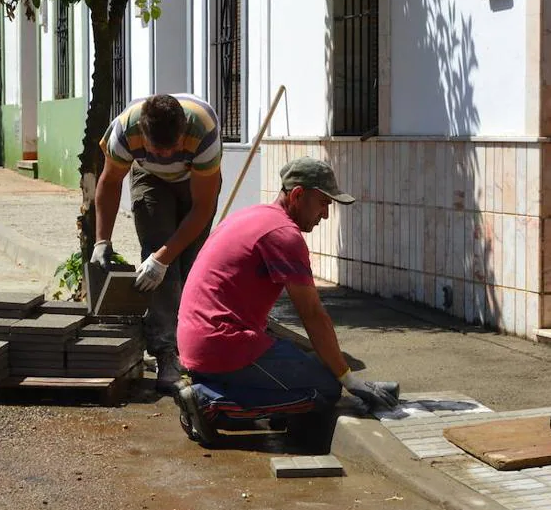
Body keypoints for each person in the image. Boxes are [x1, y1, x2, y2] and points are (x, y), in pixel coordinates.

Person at [173, 157, 399, 446]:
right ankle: (209, 403)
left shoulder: (252, 215)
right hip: (221, 345)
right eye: (322, 203)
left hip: (197, 341)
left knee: (314, 362)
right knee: (325, 389)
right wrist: (348, 379)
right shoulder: (283, 235)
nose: (325, 215)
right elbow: (313, 315)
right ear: (297, 195)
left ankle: (216, 390)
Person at [91, 94, 222, 392]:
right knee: (159, 261)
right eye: (156, 150)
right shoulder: (126, 132)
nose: (164, 157)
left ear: (182, 132)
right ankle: (165, 353)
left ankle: (194, 348)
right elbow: (110, 183)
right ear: (144, 135)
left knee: (189, 266)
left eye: (171, 149)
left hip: (194, 183)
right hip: (149, 180)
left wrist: (163, 258)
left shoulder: (202, 130)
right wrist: (102, 241)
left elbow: (202, 208)